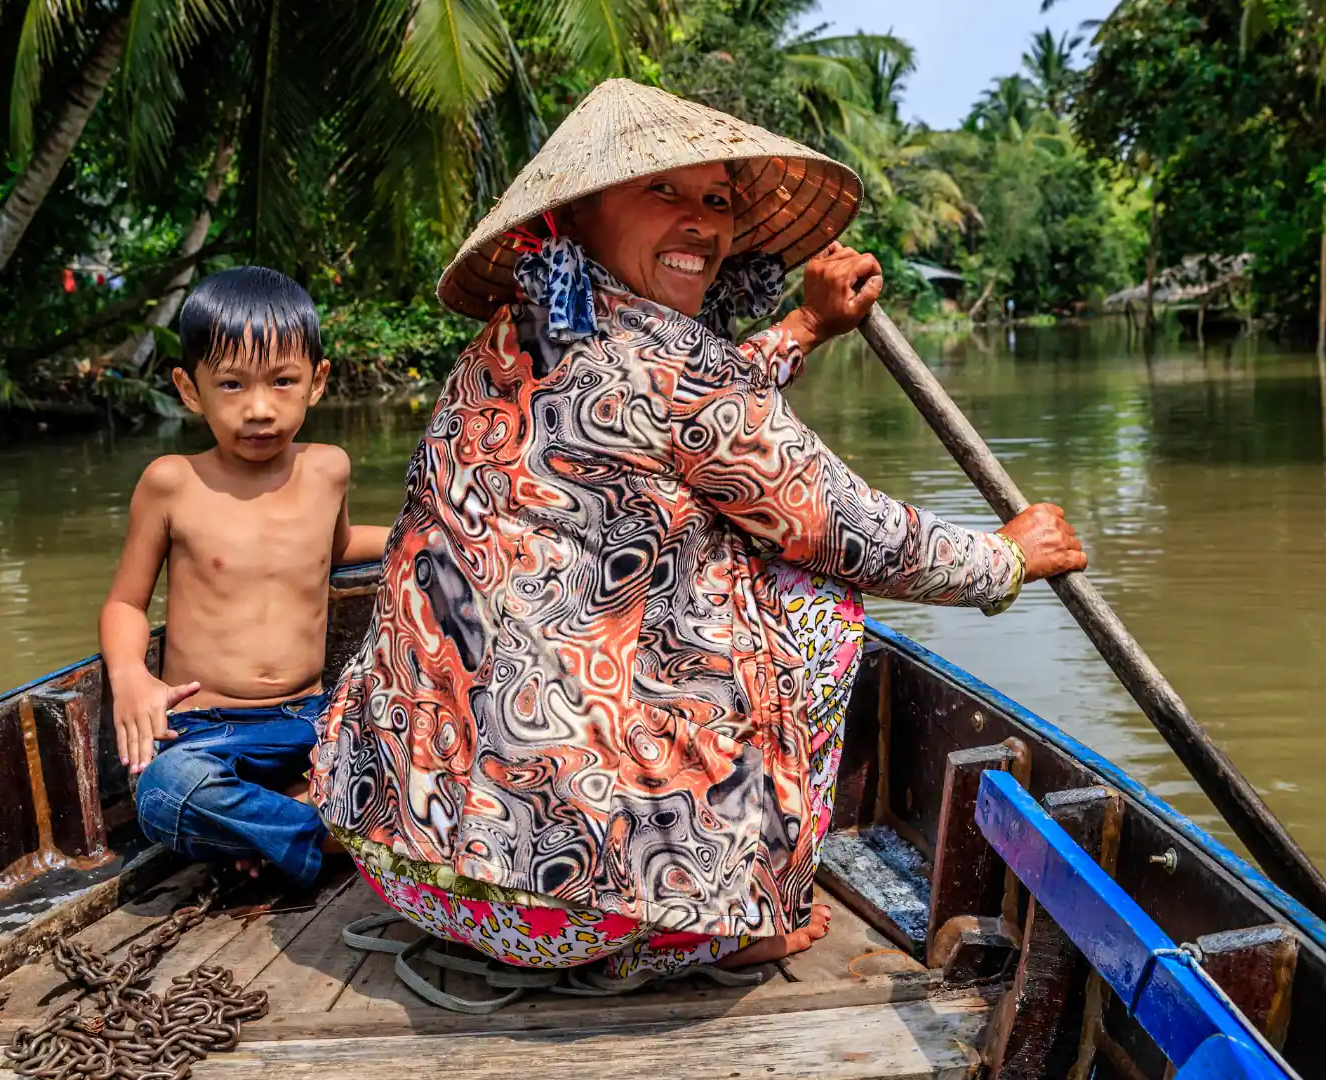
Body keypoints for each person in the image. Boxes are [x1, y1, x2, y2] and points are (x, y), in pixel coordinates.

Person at [312, 80, 1086, 995]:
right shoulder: (676, 367)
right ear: (577, 214)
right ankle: (742, 911)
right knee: (811, 595)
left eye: (716, 201)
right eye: (663, 192)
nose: (702, 225)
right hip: (569, 910)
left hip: (407, 858)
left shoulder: (518, 332)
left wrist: (801, 329)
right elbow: (849, 529)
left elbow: (693, 410)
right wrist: (1006, 558)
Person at [99, 266, 389, 886]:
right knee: (164, 794)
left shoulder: (328, 469)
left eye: (284, 382)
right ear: (189, 388)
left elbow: (333, 548)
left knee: (412, 735)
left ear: (317, 382)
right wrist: (130, 676)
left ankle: (272, 827)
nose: (259, 409)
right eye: (231, 385)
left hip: (310, 717)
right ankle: (328, 833)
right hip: (206, 729)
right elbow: (126, 602)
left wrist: (422, 536)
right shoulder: (172, 482)